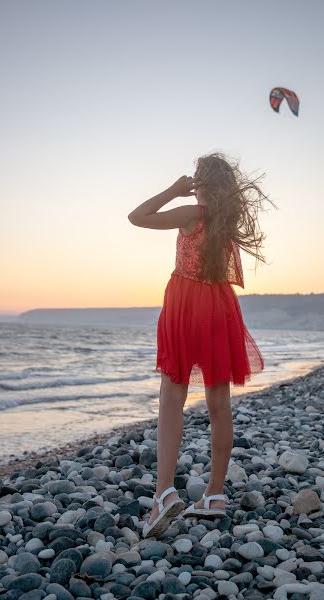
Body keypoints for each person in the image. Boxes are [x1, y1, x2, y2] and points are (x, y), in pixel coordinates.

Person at [128, 151, 276, 539]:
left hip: (185, 301)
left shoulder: (191, 213)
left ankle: (163, 493)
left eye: (194, 180)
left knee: (172, 393)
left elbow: (137, 216)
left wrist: (173, 191)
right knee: (219, 402)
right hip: (220, 305)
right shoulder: (226, 221)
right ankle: (214, 494)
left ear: (200, 183)